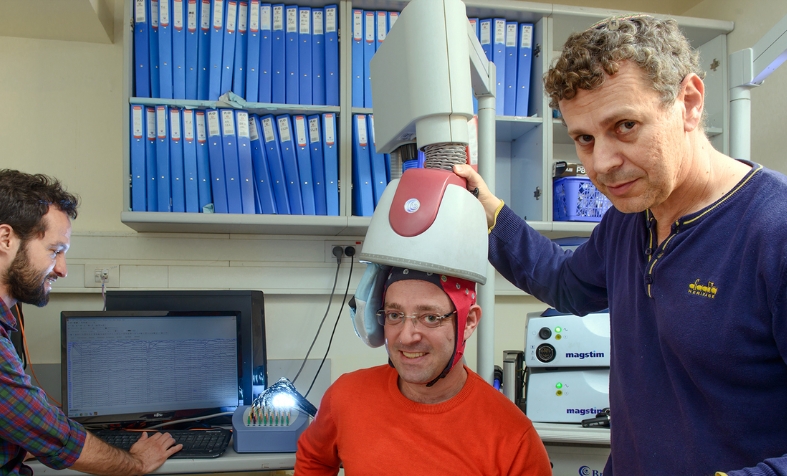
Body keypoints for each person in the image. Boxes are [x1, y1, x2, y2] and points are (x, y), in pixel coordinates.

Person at [454, 14, 787, 476]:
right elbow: (566, 284)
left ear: (689, 103)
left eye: (625, 126)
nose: (603, 163)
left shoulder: (774, 232)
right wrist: (489, 212)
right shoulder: (628, 222)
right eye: (584, 139)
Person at [0, 168, 182, 475]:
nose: (62, 269)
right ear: (4, 239)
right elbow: (58, 439)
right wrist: (136, 463)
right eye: (55, 251)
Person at [294, 266, 552, 474]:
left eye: (430, 317)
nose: (406, 337)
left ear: (469, 322)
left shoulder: (514, 439)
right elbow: (313, 459)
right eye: (395, 315)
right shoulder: (345, 397)